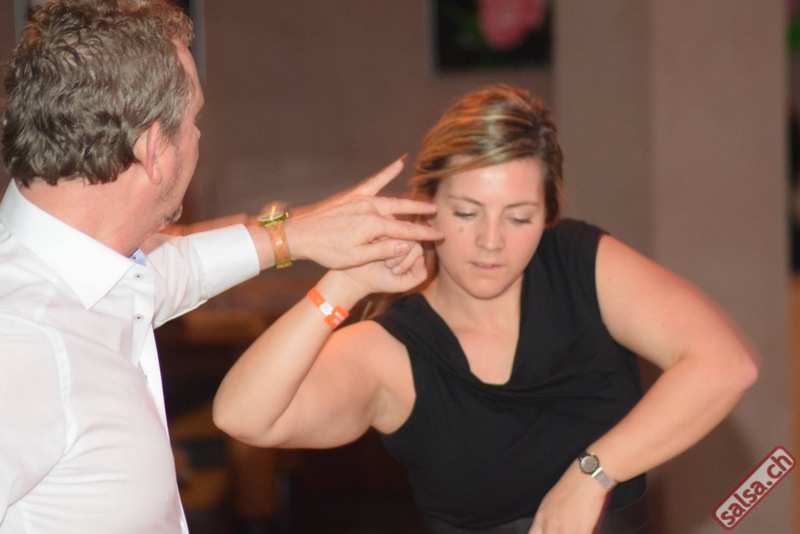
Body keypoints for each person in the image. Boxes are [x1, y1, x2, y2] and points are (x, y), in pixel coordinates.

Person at [213, 84, 760, 534]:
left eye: (519, 217)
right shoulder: (393, 350)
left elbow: (727, 364)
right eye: (467, 213)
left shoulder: (578, 264)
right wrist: (344, 284)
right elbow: (243, 416)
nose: (491, 242)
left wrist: (591, 474)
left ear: (547, 214)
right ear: (426, 204)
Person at [0, 1, 442, 532]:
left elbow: (179, 268)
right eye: (194, 120)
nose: (198, 137)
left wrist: (296, 235)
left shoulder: (83, 265)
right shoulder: (23, 341)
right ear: (153, 150)